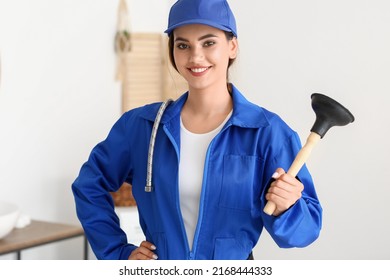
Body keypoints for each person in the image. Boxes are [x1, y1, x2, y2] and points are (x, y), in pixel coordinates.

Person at [72, 0, 322, 260]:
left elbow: (305, 231)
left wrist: (288, 207)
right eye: (183, 45)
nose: (195, 57)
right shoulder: (143, 126)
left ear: (232, 46)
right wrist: (118, 254)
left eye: (209, 42)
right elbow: (89, 185)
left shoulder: (267, 133)